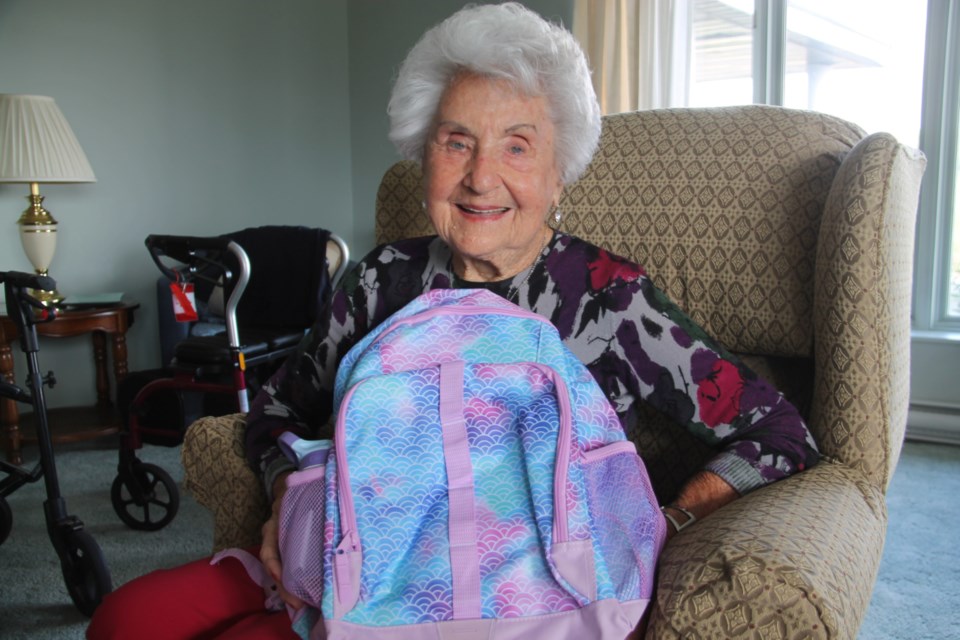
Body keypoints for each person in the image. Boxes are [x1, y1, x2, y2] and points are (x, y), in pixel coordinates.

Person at [88, 4, 819, 638]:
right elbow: (275, 412)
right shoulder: (379, 280)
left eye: (518, 145)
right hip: (356, 570)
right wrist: (287, 501)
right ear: (423, 154)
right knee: (127, 620)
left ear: (559, 171)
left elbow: (780, 434)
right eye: (457, 140)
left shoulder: (610, 298)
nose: (480, 176)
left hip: (535, 603)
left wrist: (666, 522)